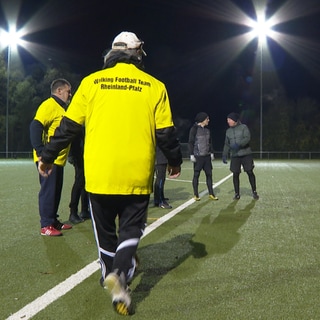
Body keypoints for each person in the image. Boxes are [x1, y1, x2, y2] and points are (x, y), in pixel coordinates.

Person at [36, 31, 182, 316]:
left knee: (105, 234)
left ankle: (109, 274)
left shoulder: (91, 83)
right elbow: (165, 133)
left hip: (99, 173)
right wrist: (174, 161)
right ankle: (120, 274)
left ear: (111, 53)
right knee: (131, 230)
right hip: (136, 174)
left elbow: (68, 127)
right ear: (138, 53)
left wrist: (48, 156)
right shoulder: (155, 86)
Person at [29, 78, 73, 237]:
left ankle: (53, 220)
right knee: (48, 191)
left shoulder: (62, 108)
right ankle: (45, 225)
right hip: (48, 160)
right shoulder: (49, 105)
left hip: (58, 160)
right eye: (68, 91)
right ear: (59, 91)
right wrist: (41, 153)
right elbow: (35, 126)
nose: (70, 94)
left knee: (56, 191)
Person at [222, 112, 259, 200]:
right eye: (227, 120)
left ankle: (254, 191)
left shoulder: (244, 127)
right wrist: (224, 154)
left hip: (246, 154)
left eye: (229, 120)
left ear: (234, 120)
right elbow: (226, 144)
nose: (228, 121)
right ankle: (237, 194)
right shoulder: (228, 131)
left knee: (250, 172)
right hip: (235, 156)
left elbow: (247, 138)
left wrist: (239, 145)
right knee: (235, 174)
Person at [188, 112, 218, 201]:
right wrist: (191, 155)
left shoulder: (207, 130)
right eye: (207, 119)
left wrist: (211, 152)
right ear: (202, 120)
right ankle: (196, 194)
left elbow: (210, 142)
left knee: (209, 175)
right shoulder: (194, 129)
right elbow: (190, 142)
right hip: (198, 157)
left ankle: (211, 193)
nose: (208, 120)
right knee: (196, 175)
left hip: (207, 157)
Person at [68, 127, 90, 224]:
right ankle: (73, 212)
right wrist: (71, 155)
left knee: (85, 182)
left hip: (85, 154)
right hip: (78, 155)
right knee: (79, 181)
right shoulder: (78, 121)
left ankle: (84, 210)